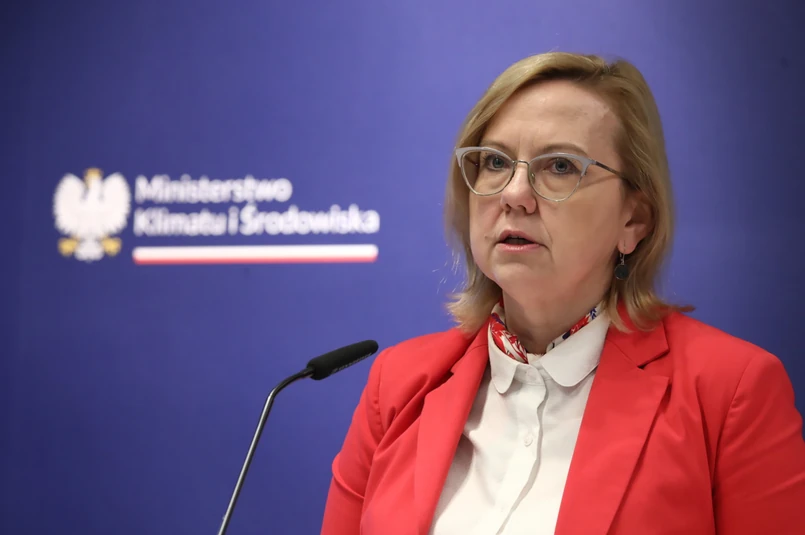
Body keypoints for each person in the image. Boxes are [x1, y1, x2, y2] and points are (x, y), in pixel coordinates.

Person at [319, 52, 805, 534]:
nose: (514, 195)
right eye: (495, 162)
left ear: (634, 220)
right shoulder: (399, 385)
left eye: (560, 166)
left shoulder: (730, 392)